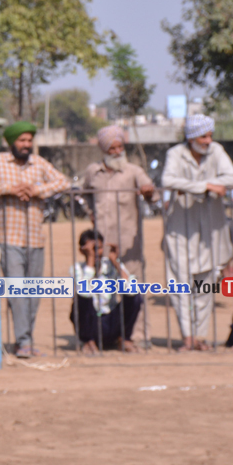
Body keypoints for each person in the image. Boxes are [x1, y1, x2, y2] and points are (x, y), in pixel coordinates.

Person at [0, 121, 71, 358]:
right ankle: (24, 341)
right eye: (22, 140)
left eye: (29, 140)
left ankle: (25, 338)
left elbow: (63, 182)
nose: (26, 145)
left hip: (36, 238)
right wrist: (8, 188)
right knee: (17, 291)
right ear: (11, 143)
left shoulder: (39, 163)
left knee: (33, 293)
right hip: (8, 237)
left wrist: (37, 190)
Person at [160, 114, 233, 351]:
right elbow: (168, 180)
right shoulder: (175, 154)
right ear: (192, 138)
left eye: (210, 135)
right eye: (204, 136)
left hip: (211, 231)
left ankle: (200, 337)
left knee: (207, 284)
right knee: (180, 285)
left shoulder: (216, 151)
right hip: (180, 231)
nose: (208, 141)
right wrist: (205, 186)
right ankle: (188, 337)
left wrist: (192, 187)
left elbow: (232, 178)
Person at [83, 125, 155, 345]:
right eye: (112, 148)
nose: (117, 152)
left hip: (129, 243)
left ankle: (138, 336)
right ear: (104, 150)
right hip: (103, 244)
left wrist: (148, 192)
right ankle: (105, 334)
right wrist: (90, 213)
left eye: (120, 147)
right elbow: (85, 195)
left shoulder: (133, 171)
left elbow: (150, 192)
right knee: (104, 290)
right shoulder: (92, 172)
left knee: (134, 288)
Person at [70, 229, 141, 353]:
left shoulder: (110, 265)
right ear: (82, 251)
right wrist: (90, 261)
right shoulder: (77, 268)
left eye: (99, 248)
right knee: (81, 300)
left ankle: (124, 339)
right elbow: (83, 293)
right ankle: (89, 342)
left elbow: (131, 290)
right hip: (91, 323)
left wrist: (116, 262)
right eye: (92, 249)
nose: (96, 253)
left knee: (135, 297)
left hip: (110, 321)